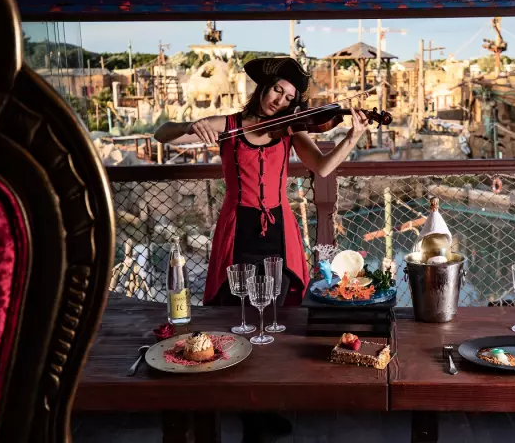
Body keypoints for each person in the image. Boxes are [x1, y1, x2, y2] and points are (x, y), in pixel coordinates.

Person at [154, 57, 368, 307]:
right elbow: (162, 134)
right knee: (236, 303)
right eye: (277, 90)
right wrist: (190, 126)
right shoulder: (228, 125)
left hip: (279, 228)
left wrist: (353, 137)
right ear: (264, 87)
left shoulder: (290, 130)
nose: (279, 101)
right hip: (238, 227)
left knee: (279, 304)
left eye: (288, 98)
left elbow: (323, 167)